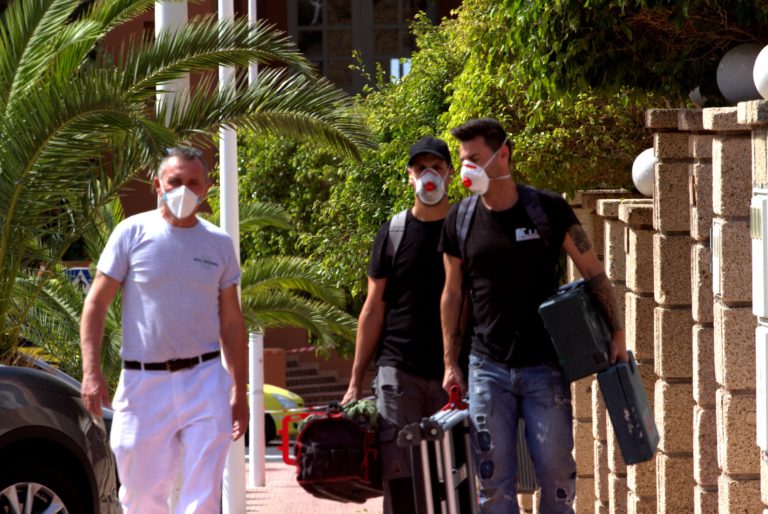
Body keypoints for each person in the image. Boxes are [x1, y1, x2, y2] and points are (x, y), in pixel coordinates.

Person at [440, 118, 627, 514]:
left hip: (545, 366)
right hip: (487, 368)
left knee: (557, 477)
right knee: (493, 484)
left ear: (502, 155)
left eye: (475, 158)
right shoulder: (460, 218)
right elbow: (453, 293)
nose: (467, 169)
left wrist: (617, 335)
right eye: (463, 160)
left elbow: (593, 272)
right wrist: (450, 363)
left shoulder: (546, 209)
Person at [79, 146, 249, 514]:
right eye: (175, 181)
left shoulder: (218, 244)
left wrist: (239, 390)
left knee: (203, 497)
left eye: (194, 183)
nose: (184, 190)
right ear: (158, 185)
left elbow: (232, 322)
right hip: (143, 384)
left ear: (206, 189)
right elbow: (96, 304)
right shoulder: (131, 233)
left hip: (205, 379)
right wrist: (91, 372)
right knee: (141, 497)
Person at [341, 136, 455, 514]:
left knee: (451, 478)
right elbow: (373, 309)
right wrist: (355, 381)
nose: (429, 176)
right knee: (401, 478)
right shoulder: (394, 232)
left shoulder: (465, 228)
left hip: (452, 375)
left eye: (436, 168)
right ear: (410, 176)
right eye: (421, 168)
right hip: (397, 371)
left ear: (450, 174)